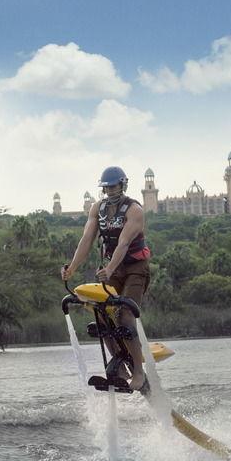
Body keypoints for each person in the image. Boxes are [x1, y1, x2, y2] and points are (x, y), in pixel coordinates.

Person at [61, 166, 151, 393]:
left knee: (125, 315)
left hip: (134, 269)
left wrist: (109, 269)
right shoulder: (96, 209)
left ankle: (139, 372)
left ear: (123, 185)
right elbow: (86, 240)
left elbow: (123, 243)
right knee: (103, 317)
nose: (110, 191)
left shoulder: (134, 210)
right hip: (112, 269)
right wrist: (71, 268)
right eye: (106, 187)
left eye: (114, 186)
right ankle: (120, 367)